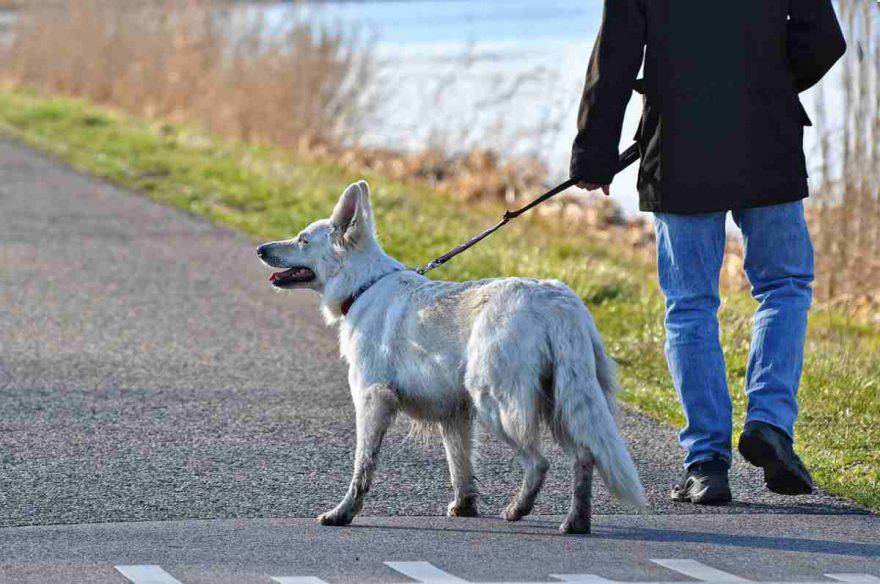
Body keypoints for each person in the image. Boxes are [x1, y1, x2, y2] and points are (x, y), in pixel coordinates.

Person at [571, 0, 846, 504]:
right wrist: (768, 81)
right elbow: (825, 40)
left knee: (691, 303)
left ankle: (706, 463)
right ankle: (769, 423)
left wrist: (594, 153)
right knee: (784, 287)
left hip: (679, 148)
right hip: (768, 139)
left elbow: (615, 55)